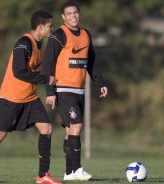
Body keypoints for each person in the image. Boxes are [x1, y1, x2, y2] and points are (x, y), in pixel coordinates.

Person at [0, 10, 62, 184]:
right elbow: (19, 72)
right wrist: (45, 79)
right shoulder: (24, 43)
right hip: (12, 98)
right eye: (50, 26)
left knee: (46, 128)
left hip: (30, 97)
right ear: (40, 26)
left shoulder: (40, 43)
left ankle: (43, 175)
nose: (52, 28)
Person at [43, 1, 108, 181]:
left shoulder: (86, 34)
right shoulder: (58, 34)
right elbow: (48, 64)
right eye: (69, 13)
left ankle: (69, 172)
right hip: (63, 89)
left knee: (70, 130)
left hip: (79, 90)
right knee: (77, 126)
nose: (73, 16)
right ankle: (78, 169)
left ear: (79, 14)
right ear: (63, 17)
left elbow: (91, 62)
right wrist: (50, 91)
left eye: (76, 13)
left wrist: (100, 82)